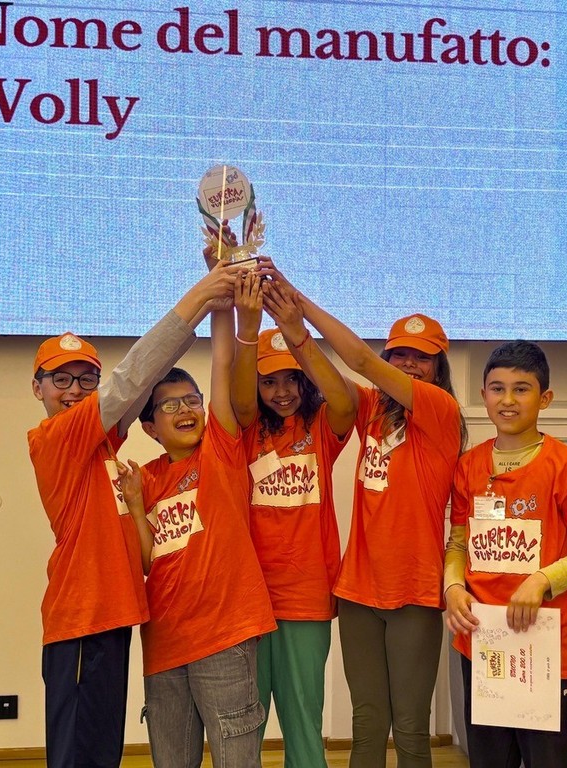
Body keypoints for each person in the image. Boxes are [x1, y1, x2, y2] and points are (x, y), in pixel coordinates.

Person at [27, 262, 242, 768]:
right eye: (61, 379)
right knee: (78, 754)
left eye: (86, 379)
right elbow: (132, 377)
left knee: (102, 750)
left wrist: (214, 307)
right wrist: (201, 294)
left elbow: (143, 383)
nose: (74, 390)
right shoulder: (55, 437)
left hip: (112, 614)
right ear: (37, 388)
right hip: (82, 618)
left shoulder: (100, 443)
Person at [258, 260, 465, 768]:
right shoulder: (372, 409)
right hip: (356, 592)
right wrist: (293, 332)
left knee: (411, 728)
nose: (409, 365)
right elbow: (329, 375)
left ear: (438, 368)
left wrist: (299, 302)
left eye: (421, 358)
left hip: (414, 591)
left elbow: (361, 362)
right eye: (400, 355)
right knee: (367, 724)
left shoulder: (440, 413)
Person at [116, 297, 276, 768]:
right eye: (170, 405)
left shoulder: (221, 451)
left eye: (192, 400)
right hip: (164, 644)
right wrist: (136, 506)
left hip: (224, 638)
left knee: (236, 759)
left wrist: (221, 298)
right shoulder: (145, 478)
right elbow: (147, 563)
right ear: (150, 427)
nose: (185, 409)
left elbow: (223, 361)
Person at [444, 340, 567, 768]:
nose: (508, 400)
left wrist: (541, 580)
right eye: (497, 389)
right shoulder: (468, 465)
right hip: (484, 642)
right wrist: (453, 587)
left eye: (521, 389)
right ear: (483, 395)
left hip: (547, 646)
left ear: (545, 398)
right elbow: (458, 543)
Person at [229, 272, 357, 767]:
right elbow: (241, 399)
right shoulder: (244, 430)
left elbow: (343, 399)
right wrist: (246, 324)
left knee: (303, 717)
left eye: (291, 379)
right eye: (269, 381)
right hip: (251, 597)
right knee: (246, 719)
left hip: (306, 596)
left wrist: (297, 333)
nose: (281, 391)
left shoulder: (321, 426)